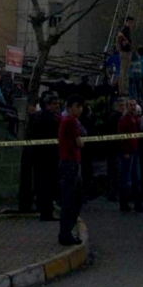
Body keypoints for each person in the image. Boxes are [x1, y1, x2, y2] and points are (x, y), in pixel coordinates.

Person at [57, 95, 86, 246]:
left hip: (71, 163)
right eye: (77, 106)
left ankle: (67, 231)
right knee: (71, 200)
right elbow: (79, 142)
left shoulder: (69, 121)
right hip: (70, 163)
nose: (80, 109)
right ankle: (65, 232)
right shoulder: (70, 122)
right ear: (69, 108)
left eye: (81, 107)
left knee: (75, 198)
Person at [28, 92, 61, 221]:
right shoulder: (49, 118)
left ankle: (43, 209)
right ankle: (46, 211)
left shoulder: (39, 116)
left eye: (58, 104)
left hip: (41, 156)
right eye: (54, 104)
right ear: (47, 105)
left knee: (42, 184)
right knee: (47, 185)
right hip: (48, 156)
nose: (57, 106)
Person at [117, 97, 142, 212]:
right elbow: (122, 136)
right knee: (126, 179)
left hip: (135, 150)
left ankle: (137, 204)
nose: (133, 107)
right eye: (131, 105)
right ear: (127, 106)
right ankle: (124, 204)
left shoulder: (134, 118)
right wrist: (125, 151)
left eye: (134, 105)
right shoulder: (125, 119)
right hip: (128, 152)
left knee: (135, 178)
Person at [105, 97, 126, 202]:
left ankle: (112, 192)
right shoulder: (117, 118)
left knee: (113, 171)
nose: (123, 108)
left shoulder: (113, 116)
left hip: (112, 148)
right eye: (121, 106)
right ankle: (113, 193)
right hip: (115, 148)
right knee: (115, 172)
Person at [115, 17, 135, 96]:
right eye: (129, 22)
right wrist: (121, 48)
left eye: (132, 22)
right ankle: (123, 89)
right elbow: (120, 40)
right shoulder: (124, 31)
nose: (131, 24)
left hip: (126, 52)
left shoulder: (126, 31)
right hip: (125, 52)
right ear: (126, 22)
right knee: (124, 71)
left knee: (124, 71)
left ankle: (123, 89)